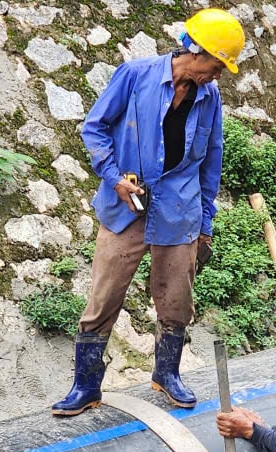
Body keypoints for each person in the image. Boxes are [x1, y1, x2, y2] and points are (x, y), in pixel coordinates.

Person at [51, 8, 245, 416]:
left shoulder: (210, 98)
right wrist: (114, 177)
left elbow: (211, 160)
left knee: (176, 300)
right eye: (217, 65)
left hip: (179, 212)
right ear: (196, 52)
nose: (218, 75)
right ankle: (85, 385)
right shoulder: (135, 76)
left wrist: (205, 225)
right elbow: (94, 128)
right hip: (126, 209)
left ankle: (167, 374)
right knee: (104, 297)